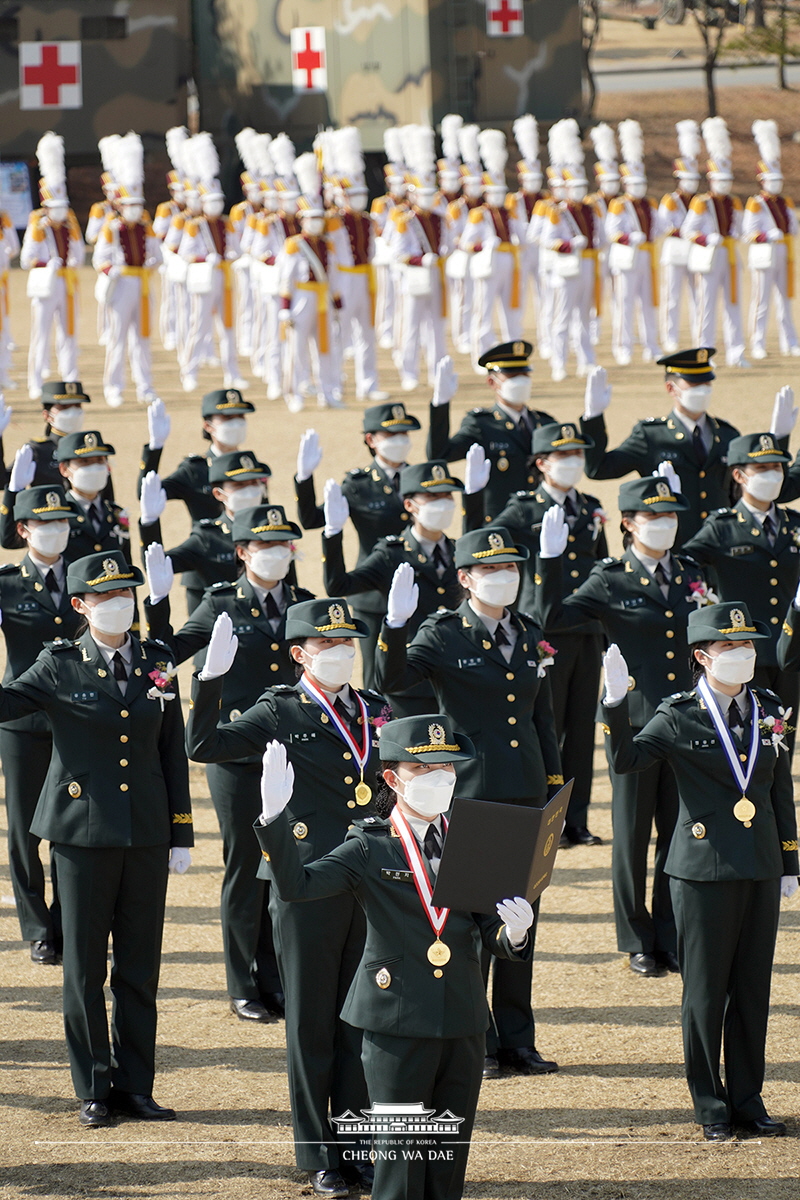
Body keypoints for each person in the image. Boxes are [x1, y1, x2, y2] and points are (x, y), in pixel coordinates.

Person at [254, 715, 534, 1200]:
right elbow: (298, 887)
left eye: (448, 767)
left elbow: (490, 931)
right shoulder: (368, 844)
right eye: (424, 768)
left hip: (464, 1016)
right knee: (401, 1166)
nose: (440, 778)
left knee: (448, 1162)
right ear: (392, 778)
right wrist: (275, 821)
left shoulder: (476, 837)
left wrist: (514, 933)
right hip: (397, 1023)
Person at [186, 597, 389, 1197]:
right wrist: (209, 680)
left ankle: (360, 1145)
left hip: (368, 878)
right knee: (310, 1020)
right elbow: (206, 746)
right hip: (304, 880)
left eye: (349, 642)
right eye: (329, 645)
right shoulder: (281, 708)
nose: (343, 652)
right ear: (300, 653)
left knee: (359, 1018)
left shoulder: (374, 709)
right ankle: (319, 1152)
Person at [0, 549, 193, 1126]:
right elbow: (6, 704)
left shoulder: (157, 660)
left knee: (140, 967)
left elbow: (170, 751)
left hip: (146, 834)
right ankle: (93, 1086)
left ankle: (136, 1086)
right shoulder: (58, 663)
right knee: (84, 968)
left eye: (126, 594)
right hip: (81, 838)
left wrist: (180, 830)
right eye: (106, 597)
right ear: (81, 605)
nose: (120, 604)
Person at [601, 601, 798, 1141]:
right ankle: (712, 1105)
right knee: (706, 993)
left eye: (748, 645)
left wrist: (789, 861)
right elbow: (626, 763)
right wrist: (616, 704)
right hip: (701, 871)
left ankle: (749, 1100)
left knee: (753, 990)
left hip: (758, 865)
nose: (742, 655)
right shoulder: (677, 713)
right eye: (729, 647)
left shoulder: (770, 707)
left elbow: (780, 788)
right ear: (701, 656)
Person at [374, 528, 562, 1078]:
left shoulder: (529, 633)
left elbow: (541, 717)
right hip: (471, 792)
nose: (506, 577)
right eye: (492, 569)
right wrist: (393, 627)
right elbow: (391, 678)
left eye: (513, 568)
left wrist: (553, 787)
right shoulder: (442, 634)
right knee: (472, 920)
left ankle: (518, 1040)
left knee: (521, 916)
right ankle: (474, 1037)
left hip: (525, 791)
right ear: (465, 578)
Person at [536, 475, 712, 977]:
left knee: (678, 829)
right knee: (632, 833)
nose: (664, 525)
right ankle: (637, 936)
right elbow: (553, 615)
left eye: (671, 516)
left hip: (686, 719)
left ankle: (671, 932)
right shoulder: (610, 577)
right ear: (628, 524)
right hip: (632, 721)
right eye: (653, 517)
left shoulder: (692, 572)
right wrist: (550, 564)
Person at [145, 504, 314, 1021]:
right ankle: (244, 982)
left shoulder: (306, 602)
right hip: (236, 755)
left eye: (285, 544)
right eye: (265, 545)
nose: (278, 553)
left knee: (286, 864)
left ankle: (278, 977)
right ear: (241, 553)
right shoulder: (221, 603)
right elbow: (164, 655)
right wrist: (157, 604)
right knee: (245, 867)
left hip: (293, 753)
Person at [467, 422, 607, 845]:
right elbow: (483, 546)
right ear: (541, 462)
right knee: (549, 727)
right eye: (563, 456)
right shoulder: (524, 509)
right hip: (545, 633)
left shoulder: (591, 504)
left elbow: (599, 564)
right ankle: (549, 815)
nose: (572, 463)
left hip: (586, 631)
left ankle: (575, 820)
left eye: (578, 455)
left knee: (582, 731)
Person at [0, 485, 82, 964]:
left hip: (77, 719)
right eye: (45, 522)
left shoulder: (84, 578)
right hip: (22, 721)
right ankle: (37, 927)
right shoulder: (7, 582)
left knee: (70, 825)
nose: (56, 530)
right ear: (23, 529)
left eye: (63, 522)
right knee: (25, 828)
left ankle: (68, 917)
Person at [683, 432, 800, 750]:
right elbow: (683, 565)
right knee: (745, 740)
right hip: (743, 652)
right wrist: (704, 600)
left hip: (791, 652)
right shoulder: (723, 527)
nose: (772, 474)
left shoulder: (795, 524)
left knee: (782, 740)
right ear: (738, 474)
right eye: (762, 468)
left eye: (777, 467)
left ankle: (780, 802)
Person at [321, 461, 465, 718]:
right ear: (409, 505)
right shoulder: (391, 555)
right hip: (410, 685)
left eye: (446, 495)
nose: (442, 503)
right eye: (432, 496)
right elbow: (339, 585)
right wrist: (333, 534)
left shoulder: (460, 552)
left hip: (456, 678)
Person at [294, 403, 420, 687]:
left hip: (419, 587)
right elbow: (312, 519)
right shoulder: (359, 484)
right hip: (373, 593)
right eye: (391, 434)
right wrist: (304, 479)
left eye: (404, 433)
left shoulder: (420, 477)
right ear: (371, 439)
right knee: (378, 674)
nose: (400, 439)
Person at [580, 349, 744, 544]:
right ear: (671, 388)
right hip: (675, 548)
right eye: (694, 383)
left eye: (706, 383)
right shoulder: (651, 436)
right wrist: (593, 418)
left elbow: (738, 495)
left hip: (722, 546)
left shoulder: (727, 435)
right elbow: (598, 468)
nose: (703, 389)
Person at [427, 342, 555, 522]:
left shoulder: (545, 422)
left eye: (524, 374)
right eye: (512, 375)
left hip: (543, 520)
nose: (521, 380)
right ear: (491, 382)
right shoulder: (482, 425)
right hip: (501, 522)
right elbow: (440, 454)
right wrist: (440, 405)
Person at [138, 449, 271, 612]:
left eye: (254, 483)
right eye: (239, 485)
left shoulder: (274, 532)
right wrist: (149, 523)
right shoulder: (208, 537)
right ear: (218, 493)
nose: (250, 490)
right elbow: (157, 563)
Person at [92, 135, 162, 408]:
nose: (135, 210)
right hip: (121, 285)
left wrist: (152, 263)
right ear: (121, 206)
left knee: (142, 337)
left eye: (138, 204)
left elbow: (157, 254)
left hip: (143, 284)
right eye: (130, 205)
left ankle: (145, 386)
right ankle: (114, 387)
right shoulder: (111, 227)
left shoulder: (146, 226)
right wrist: (113, 270)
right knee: (118, 337)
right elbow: (100, 259)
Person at [21, 133, 85, 401]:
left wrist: (72, 261)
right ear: (46, 207)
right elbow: (26, 260)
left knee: (69, 333)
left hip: (66, 283)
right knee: (41, 334)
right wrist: (48, 263)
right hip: (46, 284)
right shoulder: (37, 223)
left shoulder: (70, 222)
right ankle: (35, 380)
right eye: (55, 207)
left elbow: (80, 251)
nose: (60, 212)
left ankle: (70, 377)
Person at [682, 117, 749, 369]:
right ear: (711, 180)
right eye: (720, 179)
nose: (725, 184)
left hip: (730, 256)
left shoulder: (734, 202)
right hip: (708, 258)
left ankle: (737, 352)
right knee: (707, 307)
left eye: (727, 179)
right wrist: (706, 239)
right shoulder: (701, 202)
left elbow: (742, 229)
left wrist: (740, 234)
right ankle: (703, 354)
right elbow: (688, 230)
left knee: (733, 303)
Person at [606, 120, 663, 366]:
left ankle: (652, 344)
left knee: (649, 302)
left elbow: (659, 226)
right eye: (635, 183)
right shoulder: (619, 204)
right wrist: (630, 238)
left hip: (647, 257)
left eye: (642, 183)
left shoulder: (650, 203)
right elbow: (612, 231)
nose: (640, 187)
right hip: (627, 258)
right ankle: (623, 346)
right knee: (625, 302)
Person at [742, 120, 800, 361]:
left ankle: (790, 340)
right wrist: (766, 236)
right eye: (771, 179)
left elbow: (792, 228)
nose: (776, 183)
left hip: (783, 255)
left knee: (785, 300)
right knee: (761, 300)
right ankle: (758, 342)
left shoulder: (785, 202)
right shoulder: (756, 203)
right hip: (764, 255)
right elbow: (748, 233)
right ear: (762, 181)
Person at [658, 121, 701, 354]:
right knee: (672, 296)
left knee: (697, 296)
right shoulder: (670, 200)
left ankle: (698, 333)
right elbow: (665, 226)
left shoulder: (700, 200)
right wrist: (685, 232)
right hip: (675, 252)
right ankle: (670, 336)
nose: (691, 183)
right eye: (687, 178)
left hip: (694, 252)